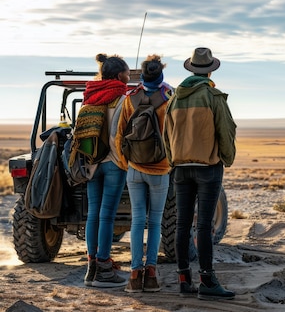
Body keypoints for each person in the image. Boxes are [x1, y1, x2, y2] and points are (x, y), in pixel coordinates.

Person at [163, 47, 237, 300]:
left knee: (182, 224)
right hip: (208, 167)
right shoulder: (213, 96)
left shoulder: (174, 99)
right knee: (204, 226)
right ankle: (207, 281)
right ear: (210, 70)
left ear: (191, 69)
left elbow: (166, 136)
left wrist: (174, 161)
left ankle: (184, 280)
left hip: (180, 169)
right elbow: (225, 131)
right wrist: (227, 158)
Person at [115, 54, 173, 293]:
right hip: (160, 168)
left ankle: (135, 274)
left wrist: (126, 163)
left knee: (137, 220)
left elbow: (119, 135)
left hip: (135, 169)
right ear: (161, 75)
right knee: (156, 221)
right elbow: (174, 135)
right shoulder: (170, 98)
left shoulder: (130, 99)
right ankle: (151, 274)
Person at [82, 53, 130, 288]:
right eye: (128, 74)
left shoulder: (89, 97)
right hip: (113, 163)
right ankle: (103, 269)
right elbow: (119, 135)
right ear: (120, 75)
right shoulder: (122, 98)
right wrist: (122, 160)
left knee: (93, 214)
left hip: (91, 164)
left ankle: (91, 268)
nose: (129, 77)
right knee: (107, 215)